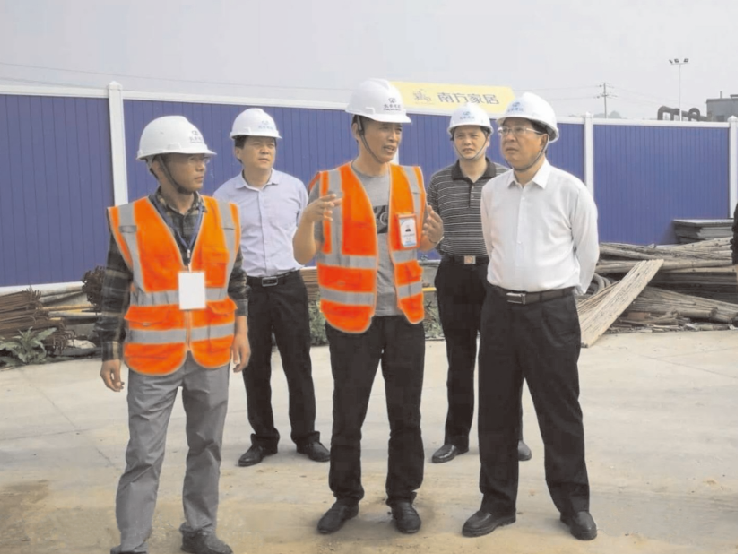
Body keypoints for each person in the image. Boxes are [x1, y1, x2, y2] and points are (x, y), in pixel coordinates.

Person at [292, 78, 444, 535]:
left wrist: (433, 239)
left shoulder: (412, 181)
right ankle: (346, 497)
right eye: (383, 127)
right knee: (348, 416)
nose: (393, 136)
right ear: (357, 128)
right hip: (351, 320)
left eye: (398, 128)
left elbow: (415, 246)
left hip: (405, 317)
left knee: (406, 416)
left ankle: (402, 497)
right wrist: (306, 220)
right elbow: (303, 254)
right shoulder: (328, 184)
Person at [97, 116, 249, 554]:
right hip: (152, 358)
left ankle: (200, 531)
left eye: (203, 158)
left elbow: (237, 283)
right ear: (158, 165)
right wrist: (109, 351)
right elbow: (114, 291)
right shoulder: (130, 221)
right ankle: (132, 543)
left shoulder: (225, 217)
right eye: (189, 158)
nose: (201, 166)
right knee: (144, 454)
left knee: (207, 447)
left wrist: (242, 333)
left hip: (210, 353)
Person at [462, 92, 600, 541]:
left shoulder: (569, 190)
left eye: (520, 129)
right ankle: (497, 504)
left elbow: (588, 254)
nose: (509, 137)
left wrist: (559, 295)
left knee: (560, 413)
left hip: (551, 315)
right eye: (506, 129)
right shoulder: (492, 192)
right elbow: (492, 245)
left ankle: (573, 505)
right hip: (500, 311)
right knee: (496, 412)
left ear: (545, 138)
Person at [214, 108, 329, 467]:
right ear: (238, 151)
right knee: (255, 367)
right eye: (257, 144)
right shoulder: (223, 197)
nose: (265, 150)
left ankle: (307, 437)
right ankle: (263, 439)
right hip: (248, 291)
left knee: (299, 364)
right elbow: (220, 250)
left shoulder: (294, 189)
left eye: (270, 144)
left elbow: (307, 237)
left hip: (289, 285)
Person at [427, 103, 532, 465]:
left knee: (503, 361)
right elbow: (429, 228)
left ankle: (512, 437)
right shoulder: (439, 182)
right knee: (458, 362)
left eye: (474, 134)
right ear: (452, 140)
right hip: (454, 275)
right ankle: (455, 438)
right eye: (460, 135)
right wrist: (439, 242)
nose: (467, 141)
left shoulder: (507, 178)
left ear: (488, 139)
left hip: (495, 277)